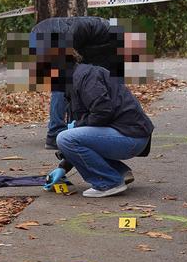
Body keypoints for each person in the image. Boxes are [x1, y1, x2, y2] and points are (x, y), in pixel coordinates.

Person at [42, 50, 154, 198]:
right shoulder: (74, 81)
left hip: (131, 137)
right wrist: (62, 167)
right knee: (68, 137)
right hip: (129, 134)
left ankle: (109, 182)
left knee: (64, 138)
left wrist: (77, 126)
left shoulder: (85, 77)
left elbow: (102, 111)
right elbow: (83, 137)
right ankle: (119, 172)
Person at [31, 16, 124, 149]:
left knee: (69, 83)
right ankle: (55, 132)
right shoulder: (108, 36)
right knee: (62, 85)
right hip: (52, 35)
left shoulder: (103, 33)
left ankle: (66, 130)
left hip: (44, 32)